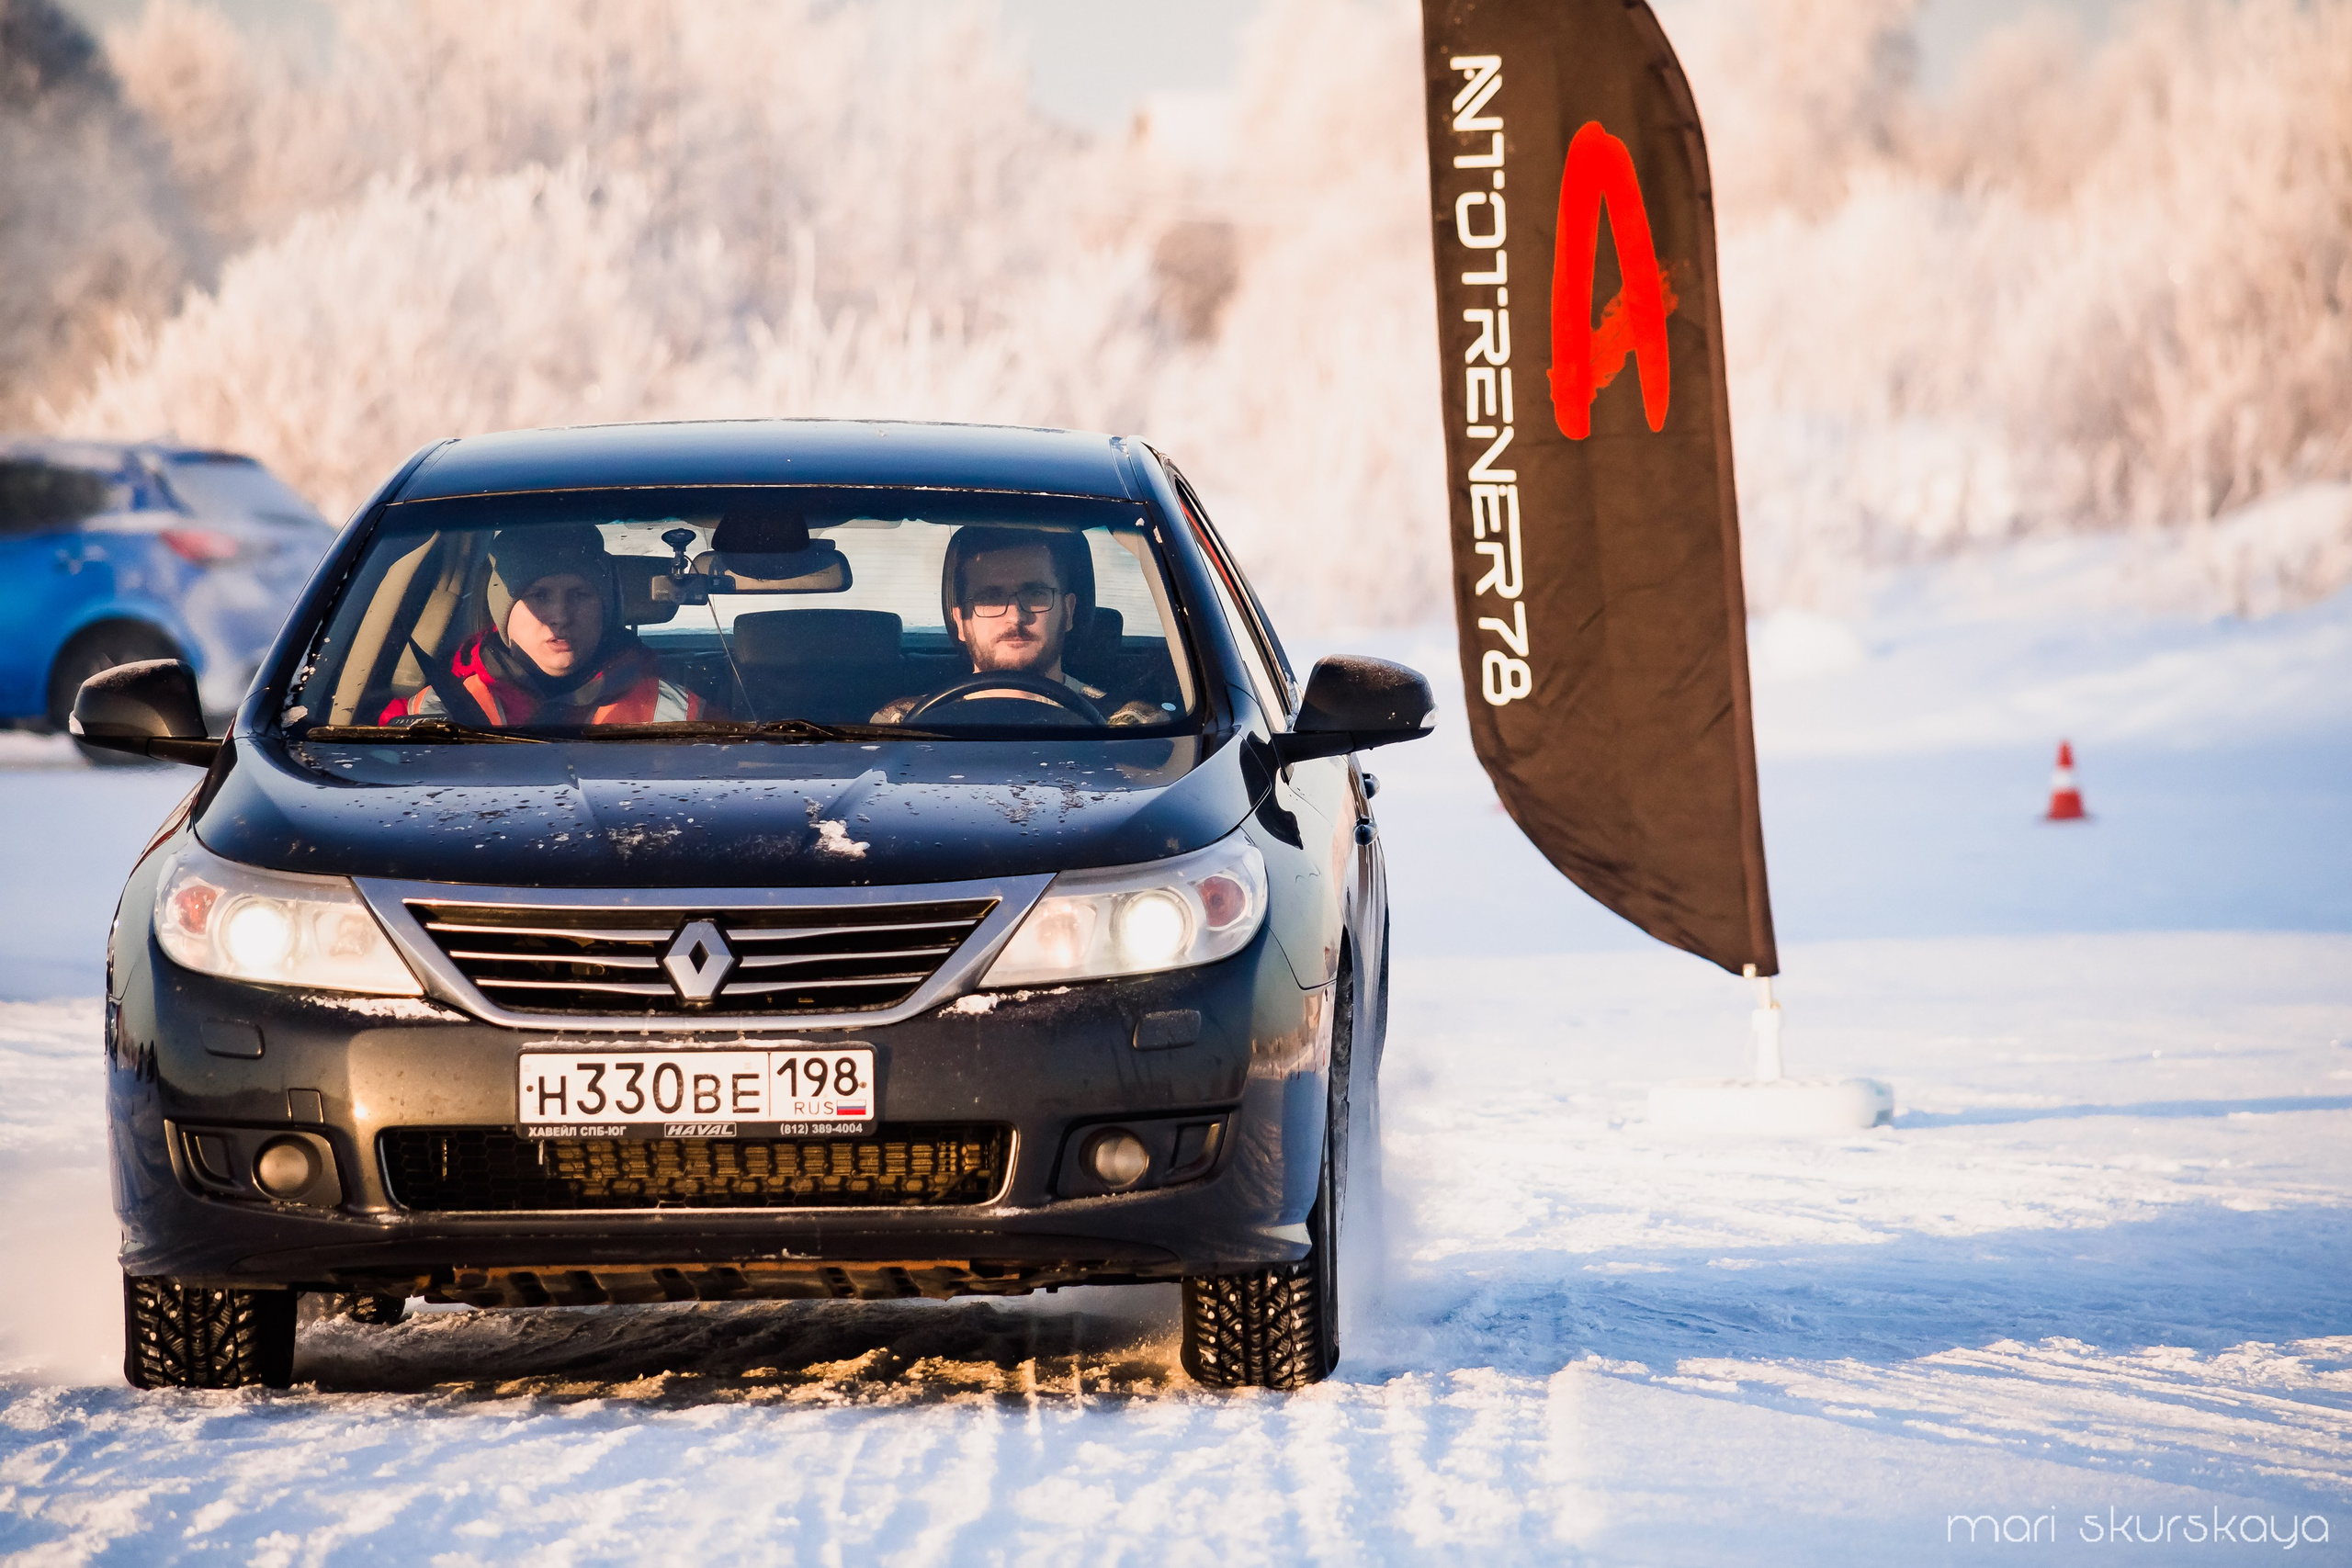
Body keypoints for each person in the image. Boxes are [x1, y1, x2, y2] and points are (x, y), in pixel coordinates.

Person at [381, 525, 707, 728]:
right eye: (538, 596)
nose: (560, 616)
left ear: (605, 609)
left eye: (579, 595)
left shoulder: (681, 715)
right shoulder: (428, 715)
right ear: (502, 611)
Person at [872, 526, 1159, 726]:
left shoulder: (1131, 723)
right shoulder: (902, 721)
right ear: (960, 621)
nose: (1015, 617)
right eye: (990, 598)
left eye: (1035, 594)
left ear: (1069, 611)